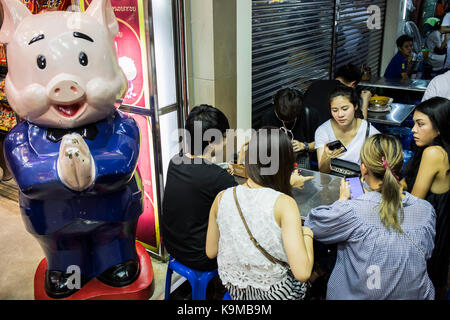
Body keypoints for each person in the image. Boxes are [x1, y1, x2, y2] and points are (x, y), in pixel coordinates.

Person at [305, 134, 436, 300]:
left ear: (364, 168)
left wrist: (342, 201)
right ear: (399, 165)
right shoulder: (425, 210)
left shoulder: (352, 211)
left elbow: (313, 225)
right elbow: (427, 252)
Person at [206, 128, 314, 300]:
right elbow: (302, 273)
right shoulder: (285, 204)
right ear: (287, 165)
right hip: (275, 295)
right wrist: (307, 233)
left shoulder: (222, 198)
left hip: (236, 292)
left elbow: (210, 251)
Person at [402, 97, 450, 299]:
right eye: (414, 123)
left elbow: (413, 201)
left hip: (432, 230)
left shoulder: (433, 153)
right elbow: (408, 181)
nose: (413, 129)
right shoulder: (429, 148)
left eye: (420, 124)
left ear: (439, 127)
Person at [315, 85, 379, 174]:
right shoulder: (323, 131)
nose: (340, 115)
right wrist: (326, 156)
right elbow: (323, 171)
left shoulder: (370, 133)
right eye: (334, 110)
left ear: (355, 106)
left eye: (345, 109)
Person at [260, 87, 320, 168]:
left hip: (302, 161)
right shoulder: (268, 117)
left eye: (290, 119)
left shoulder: (309, 114)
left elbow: (321, 144)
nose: (285, 122)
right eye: (282, 118)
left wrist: (305, 146)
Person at [303, 63, 372, 124]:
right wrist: (365, 100)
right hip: (329, 135)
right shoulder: (347, 93)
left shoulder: (315, 84)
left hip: (305, 133)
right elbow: (361, 125)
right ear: (353, 84)